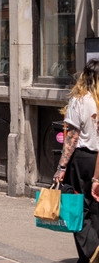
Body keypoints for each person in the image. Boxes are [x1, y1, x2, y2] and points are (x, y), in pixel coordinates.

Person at [57, 60, 99, 263]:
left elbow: (72, 136)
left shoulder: (79, 100)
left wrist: (62, 166)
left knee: (76, 208)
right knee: (96, 207)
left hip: (83, 159)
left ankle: (90, 250)